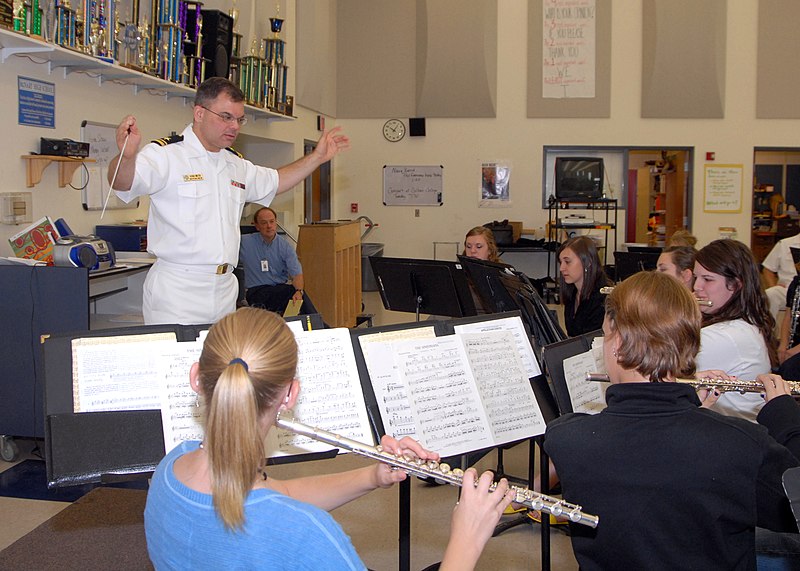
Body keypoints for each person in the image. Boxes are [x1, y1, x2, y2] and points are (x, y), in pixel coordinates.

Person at [144, 307, 514, 570]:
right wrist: (467, 539)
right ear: (290, 396)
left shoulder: (171, 468)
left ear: (197, 377)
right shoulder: (307, 533)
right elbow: (280, 514)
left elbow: (277, 498)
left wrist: (373, 475)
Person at [544, 272, 799, 570]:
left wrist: (693, 414)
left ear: (618, 344)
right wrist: (784, 415)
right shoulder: (743, 445)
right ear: (690, 346)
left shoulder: (567, 439)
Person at [107, 77, 350, 325]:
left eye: (239, 119)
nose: (234, 126)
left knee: (222, 362)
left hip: (224, 289)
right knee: (180, 362)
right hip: (179, 290)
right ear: (199, 113)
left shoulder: (234, 164)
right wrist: (126, 157)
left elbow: (276, 182)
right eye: (226, 117)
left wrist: (317, 157)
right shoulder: (167, 156)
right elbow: (123, 182)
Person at [694, 239, 776, 421]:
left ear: (736, 285)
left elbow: (657, 377)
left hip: (729, 437)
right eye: (696, 277)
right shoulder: (746, 323)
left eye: (707, 279)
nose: (696, 287)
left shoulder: (724, 336)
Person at [239, 206, 318, 316]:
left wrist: (299, 291)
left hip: (279, 290)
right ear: (257, 226)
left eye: (272, 222)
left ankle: (314, 325)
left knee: (296, 297)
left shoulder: (285, 246)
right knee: (290, 292)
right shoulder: (244, 242)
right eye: (264, 223)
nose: (269, 226)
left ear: (276, 223)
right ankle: (321, 325)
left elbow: (297, 273)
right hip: (256, 292)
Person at [558, 235, 610, 337]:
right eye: (561, 262)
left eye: (567, 262)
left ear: (588, 262)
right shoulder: (572, 293)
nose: (561, 268)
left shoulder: (603, 299)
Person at [762, 231, 800, 322]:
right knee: (770, 293)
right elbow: (768, 269)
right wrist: (773, 285)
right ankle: (768, 330)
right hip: (787, 290)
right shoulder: (784, 244)